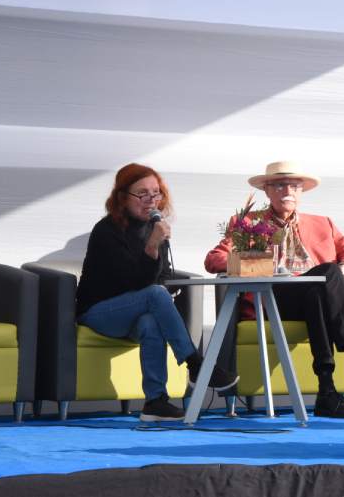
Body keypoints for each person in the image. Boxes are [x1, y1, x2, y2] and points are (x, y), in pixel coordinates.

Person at [204, 161, 344, 418]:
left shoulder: (323, 224)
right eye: (280, 185)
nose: (287, 191)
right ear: (267, 191)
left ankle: (327, 391)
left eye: (294, 186)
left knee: (319, 288)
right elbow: (214, 260)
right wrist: (259, 263)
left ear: (302, 192)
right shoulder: (247, 222)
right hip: (269, 299)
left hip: (312, 297)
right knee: (327, 274)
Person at [77, 163, 238, 422]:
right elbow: (128, 283)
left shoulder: (156, 228)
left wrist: (161, 276)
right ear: (122, 198)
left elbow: (159, 278)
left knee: (151, 322)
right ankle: (195, 363)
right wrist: (152, 247)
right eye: (142, 194)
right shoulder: (106, 231)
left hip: (136, 312)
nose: (151, 200)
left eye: (156, 193)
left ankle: (155, 401)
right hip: (99, 312)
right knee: (154, 295)